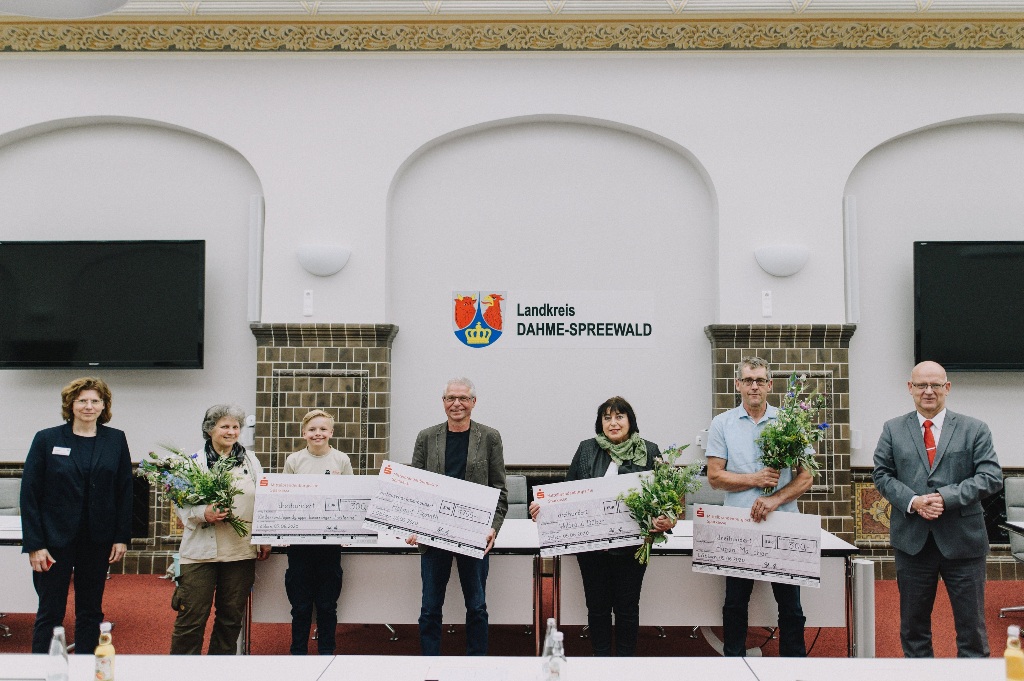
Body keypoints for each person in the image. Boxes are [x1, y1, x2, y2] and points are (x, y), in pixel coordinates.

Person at [872, 360, 1002, 658]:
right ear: (910, 388)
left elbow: (991, 477)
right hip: (913, 542)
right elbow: (881, 474)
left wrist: (946, 497)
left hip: (963, 542)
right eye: (921, 385)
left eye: (935, 385)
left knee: (972, 631)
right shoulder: (893, 429)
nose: (928, 391)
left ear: (948, 388)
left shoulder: (974, 429)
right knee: (913, 631)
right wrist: (914, 501)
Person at [529, 396, 673, 656]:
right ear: (600, 423)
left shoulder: (650, 451)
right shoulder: (586, 449)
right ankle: (601, 661)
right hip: (592, 549)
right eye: (607, 418)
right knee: (597, 608)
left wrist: (666, 519)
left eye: (619, 417)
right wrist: (543, 509)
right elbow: (567, 492)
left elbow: (667, 501)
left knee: (628, 608)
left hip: (633, 547)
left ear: (630, 421)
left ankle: (625, 663)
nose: (613, 423)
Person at [706, 356, 811, 657]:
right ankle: (734, 664)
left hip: (784, 524)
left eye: (760, 380)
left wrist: (774, 499)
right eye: (748, 380)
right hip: (738, 526)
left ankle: (794, 669)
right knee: (736, 603)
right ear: (737, 384)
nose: (755, 386)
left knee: (791, 605)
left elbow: (807, 477)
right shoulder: (722, 424)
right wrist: (755, 478)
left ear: (770, 385)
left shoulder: (791, 422)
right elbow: (714, 477)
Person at [20, 377, 133, 654]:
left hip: (97, 539)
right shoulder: (47, 439)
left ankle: (86, 668)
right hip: (53, 541)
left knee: (91, 611)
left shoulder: (115, 439)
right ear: (70, 404)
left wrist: (121, 537)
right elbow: (30, 495)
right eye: (82, 400)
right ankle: (41, 671)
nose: (88, 406)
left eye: (95, 401)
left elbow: (125, 490)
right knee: (50, 611)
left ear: (104, 406)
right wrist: (35, 544)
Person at [406, 377, 507, 656]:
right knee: (429, 607)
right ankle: (430, 663)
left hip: (474, 534)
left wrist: (493, 528)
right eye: (451, 398)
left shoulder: (489, 437)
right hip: (432, 534)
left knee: (476, 606)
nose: (456, 404)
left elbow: (499, 490)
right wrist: (412, 522)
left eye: (463, 398)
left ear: (473, 402)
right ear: (443, 402)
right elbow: (415, 487)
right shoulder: (427, 437)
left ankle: (476, 664)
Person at [169, 405, 271, 655]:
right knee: (191, 618)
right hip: (199, 553)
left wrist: (266, 537)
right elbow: (180, 505)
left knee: (230, 619)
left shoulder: (251, 460)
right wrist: (203, 512)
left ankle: (219, 671)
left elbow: (264, 499)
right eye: (224, 426)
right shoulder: (191, 463)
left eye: (236, 426)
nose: (231, 431)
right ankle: (181, 673)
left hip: (240, 551)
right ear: (209, 429)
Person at [282, 409, 353, 655]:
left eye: (323, 429)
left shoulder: (341, 460)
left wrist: (346, 533)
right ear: (304, 433)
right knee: (300, 606)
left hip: (330, 544)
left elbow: (350, 498)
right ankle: (298, 653)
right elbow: (285, 499)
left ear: (331, 432)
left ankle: (326, 653)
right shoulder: (293, 461)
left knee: (327, 605)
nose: (318, 433)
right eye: (312, 429)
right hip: (299, 546)